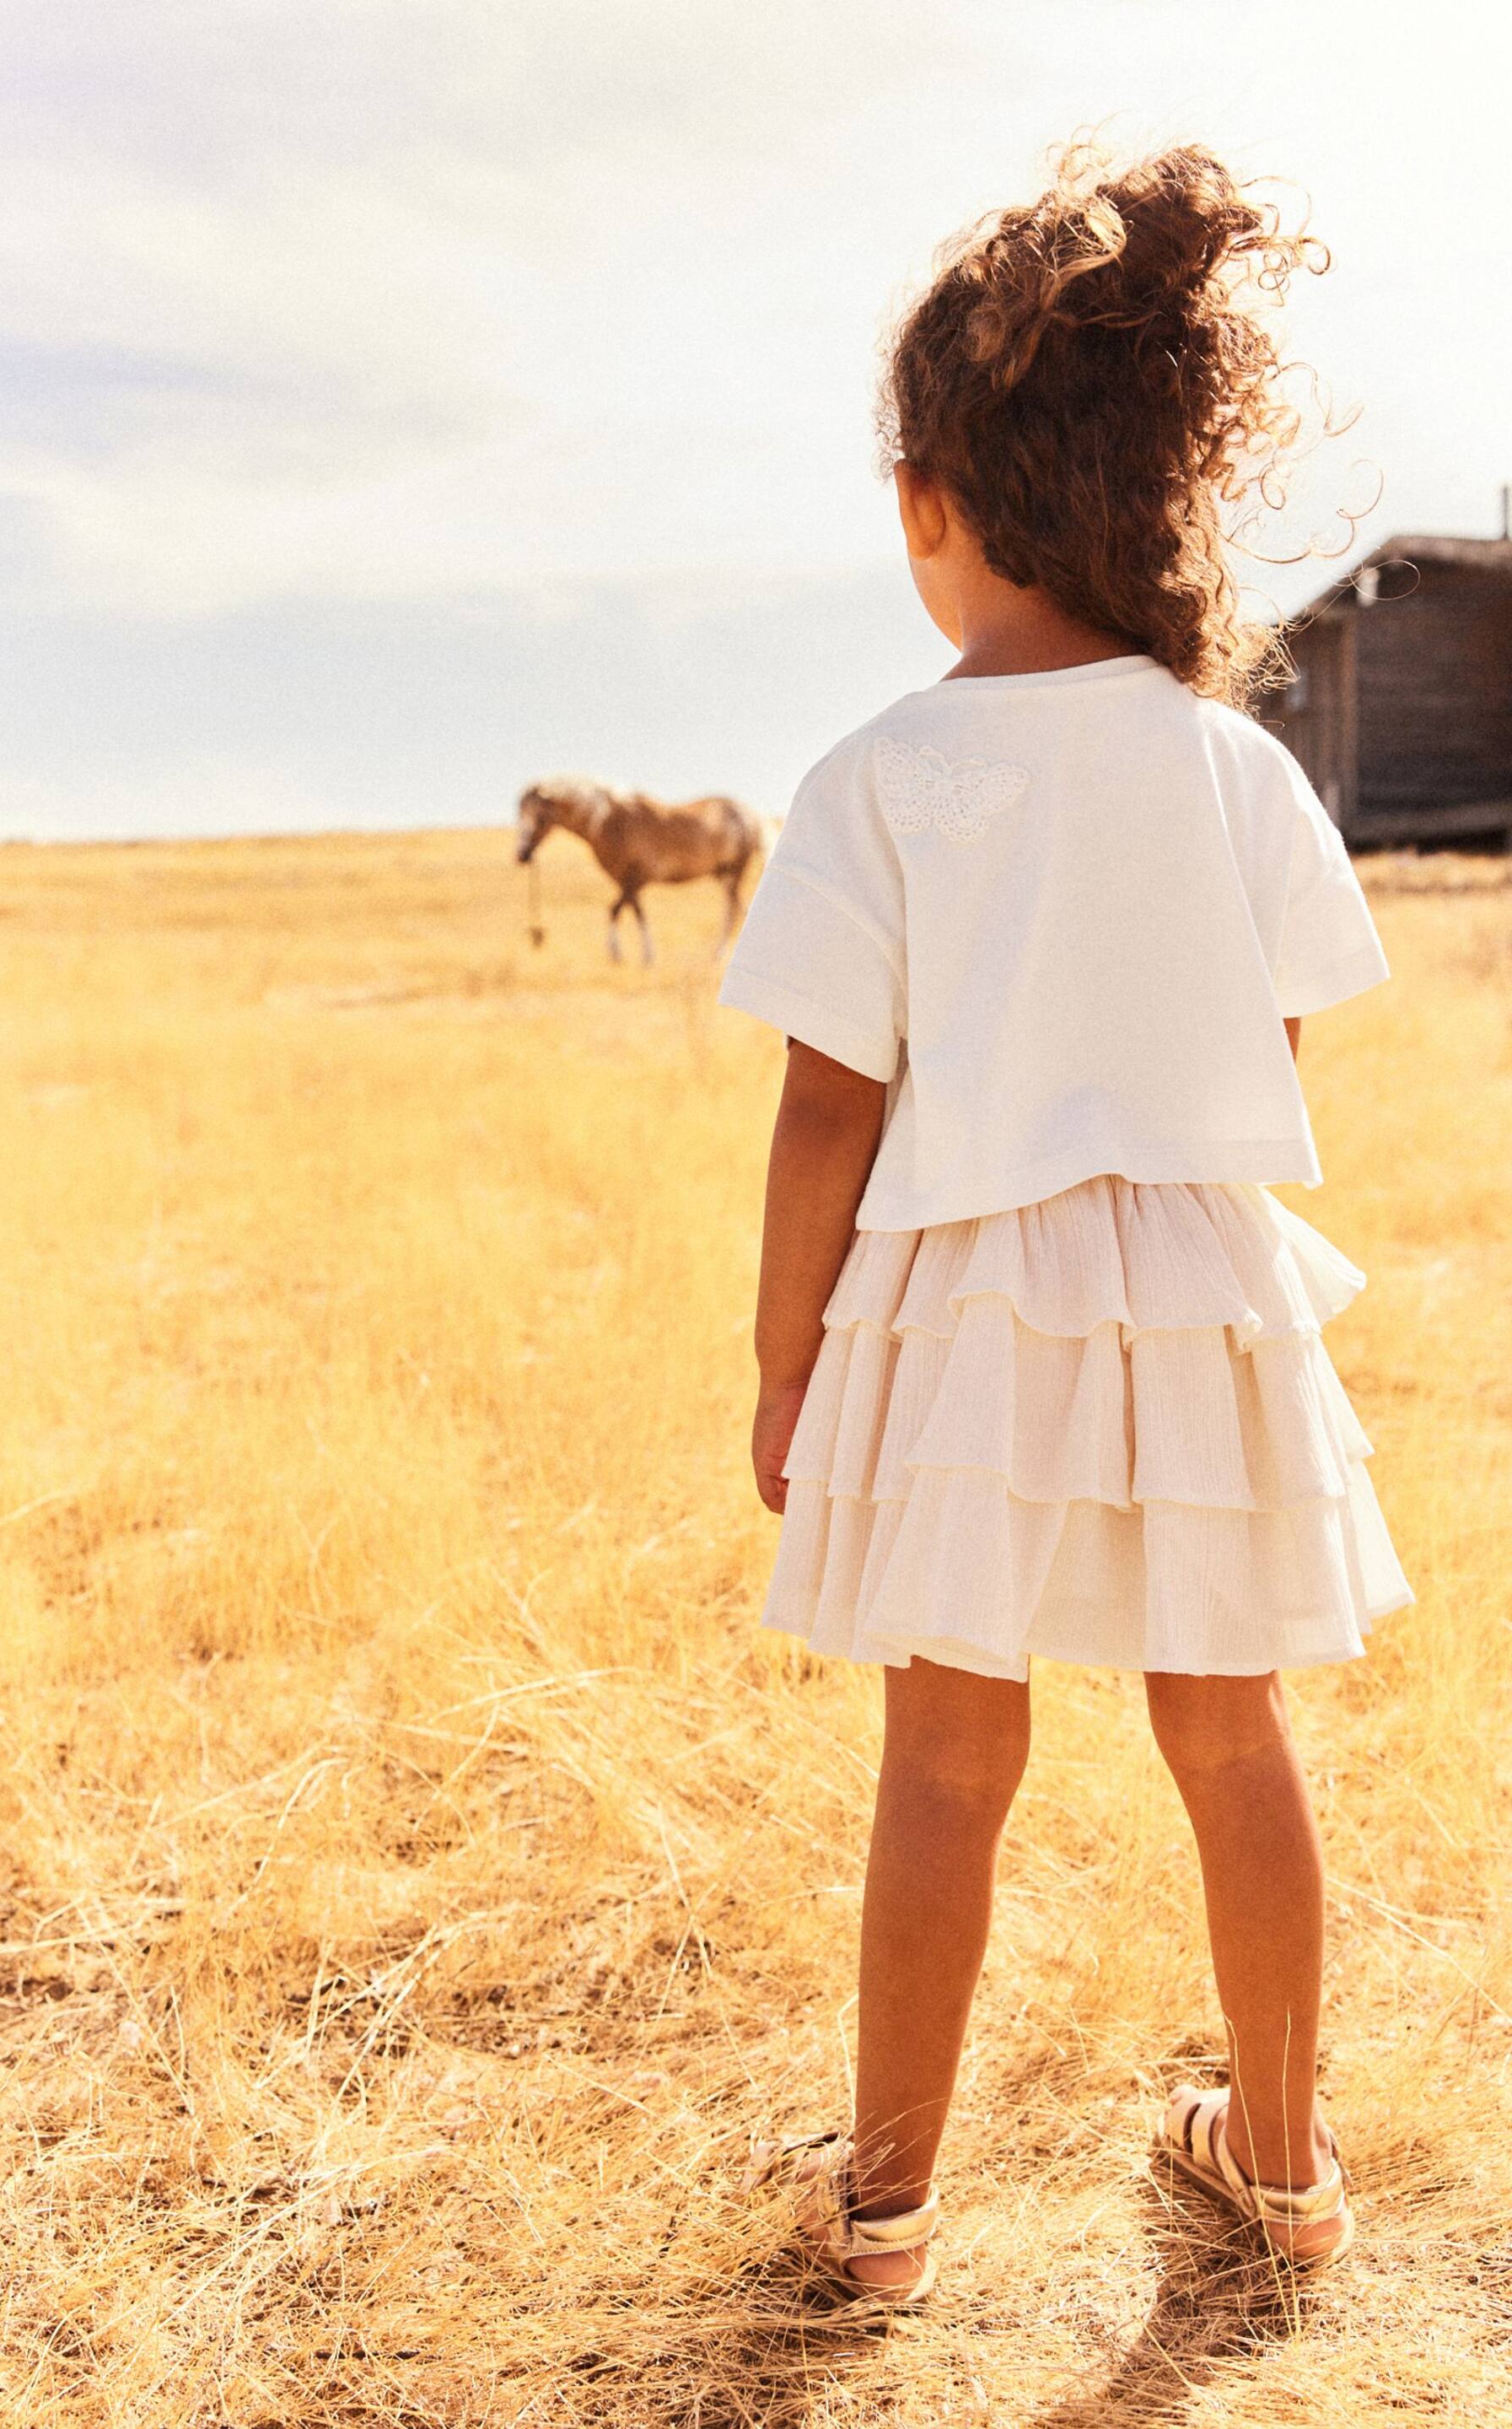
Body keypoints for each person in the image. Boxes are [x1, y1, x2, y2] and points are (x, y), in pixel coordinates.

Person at [719, 142, 1412, 2307]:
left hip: (961, 1308)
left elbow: (829, 1105)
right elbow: (1287, 1040)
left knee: (946, 1758)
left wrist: (787, 1357)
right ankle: (1284, 2169)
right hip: (1200, 1291)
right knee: (1233, 1729)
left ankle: (891, 2206)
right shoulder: (1235, 763)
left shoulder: (879, 778)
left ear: (940, 500)